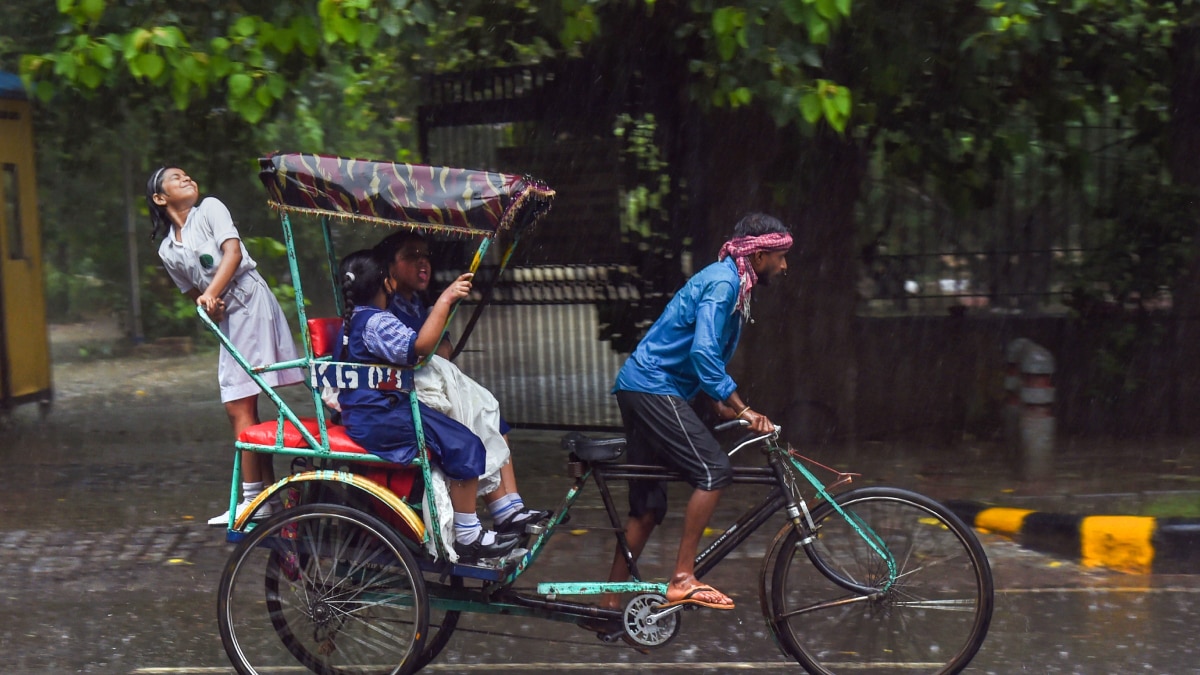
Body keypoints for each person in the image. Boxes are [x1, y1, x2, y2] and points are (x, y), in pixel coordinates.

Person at [603, 212, 791, 616]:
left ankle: (609, 604)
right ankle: (683, 578)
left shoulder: (732, 282)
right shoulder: (724, 283)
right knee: (714, 471)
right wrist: (743, 407)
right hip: (653, 388)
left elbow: (697, 352)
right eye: (780, 255)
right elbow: (703, 353)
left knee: (648, 508)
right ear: (758, 256)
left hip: (642, 386)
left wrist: (718, 402)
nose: (785, 265)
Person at [335, 248, 521, 563]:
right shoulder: (376, 322)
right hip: (382, 415)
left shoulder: (357, 319)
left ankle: (472, 524)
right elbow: (420, 348)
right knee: (465, 444)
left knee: (460, 434)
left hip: (374, 410)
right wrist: (446, 300)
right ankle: (468, 535)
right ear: (386, 282)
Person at [146, 166, 305, 527]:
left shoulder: (211, 210)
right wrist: (212, 306)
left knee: (238, 404)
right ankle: (267, 496)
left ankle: (253, 500)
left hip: (250, 301)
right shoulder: (168, 249)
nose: (187, 178)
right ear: (160, 198)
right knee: (241, 406)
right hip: (229, 319)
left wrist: (211, 294)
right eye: (175, 178)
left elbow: (232, 254)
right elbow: (194, 294)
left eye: (188, 174)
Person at [374, 230, 548, 534]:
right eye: (411, 255)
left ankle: (509, 505)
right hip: (405, 391)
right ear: (390, 269)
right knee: (471, 425)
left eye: (425, 255)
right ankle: (471, 528)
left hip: (430, 379)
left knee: (493, 415)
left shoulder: (417, 304)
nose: (422, 262)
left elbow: (442, 350)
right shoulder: (385, 314)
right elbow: (422, 351)